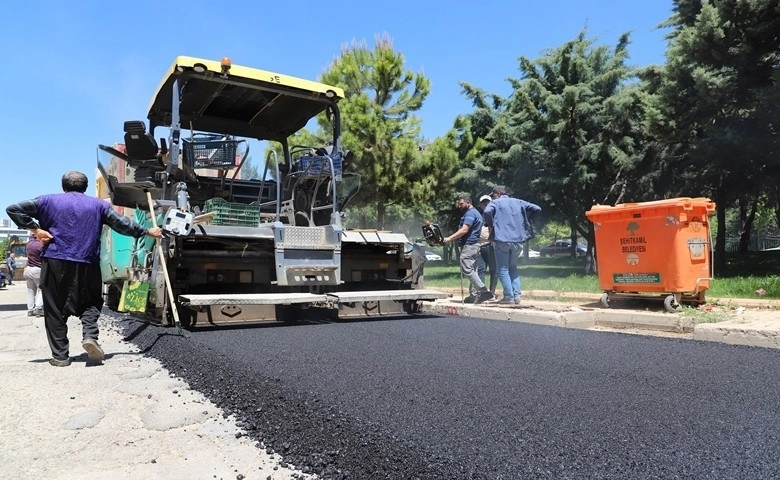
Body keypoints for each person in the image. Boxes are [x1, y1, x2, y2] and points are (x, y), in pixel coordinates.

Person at [6, 171, 163, 367]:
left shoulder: (46, 201)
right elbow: (122, 224)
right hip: (87, 261)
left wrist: (35, 229)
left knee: (54, 307)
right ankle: (90, 336)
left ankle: (61, 356)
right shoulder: (99, 205)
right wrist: (148, 231)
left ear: (63, 187)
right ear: (85, 187)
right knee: (90, 301)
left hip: (56, 260)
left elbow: (13, 209)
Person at [482, 185, 541, 304]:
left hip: (502, 240)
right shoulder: (519, 202)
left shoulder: (496, 203)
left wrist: (491, 224)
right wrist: (530, 221)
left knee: (502, 269)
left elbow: (487, 211)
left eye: (493, 195)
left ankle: (508, 297)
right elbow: (537, 208)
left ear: (498, 193)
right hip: (518, 241)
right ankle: (517, 296)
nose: (493, 198)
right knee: (513, 267)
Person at [442, 195, 493, 304]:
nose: (459, 206)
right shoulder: (476, 213)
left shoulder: (470, 214)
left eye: (461, 204)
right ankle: (473, 295)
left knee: (467, 269)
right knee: (473, 270)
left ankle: (483, 291)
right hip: (475, 245)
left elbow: (464, 230)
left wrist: (449, 238)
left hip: (469, 245)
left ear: (468, 202)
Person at [476, 194, 497, 299]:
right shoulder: (479, 216)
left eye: (488, 202)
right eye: (484, 203)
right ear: (480, 205)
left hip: (491, 245)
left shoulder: (494, 215)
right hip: (480, 245)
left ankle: (492, 292)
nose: (486, 204)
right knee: (481, 269)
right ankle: (482, 292)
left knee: (494, 269)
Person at [24, 237, 44, 316]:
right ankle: (38, 307)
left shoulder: (29, 244)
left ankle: (30, 309)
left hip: (28, 269)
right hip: (37, 269)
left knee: (30, 292)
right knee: (42, 289)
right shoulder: (41, 245)